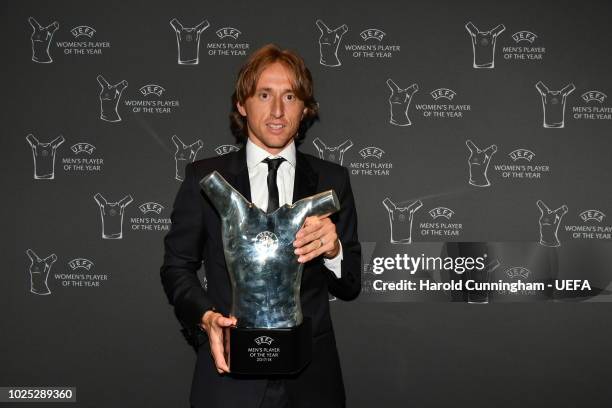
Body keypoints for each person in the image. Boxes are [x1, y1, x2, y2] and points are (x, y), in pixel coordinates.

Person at [160, 44, 361, 408]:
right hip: (227, 379)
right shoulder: (205, 179)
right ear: (242, 104)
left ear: (305, 109)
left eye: (291, 96)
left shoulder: (333, 181)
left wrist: (334, 251)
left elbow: (349, 285)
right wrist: (206, 317)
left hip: (312, 383)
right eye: (264, 95)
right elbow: (177, 268)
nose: (278, 111)